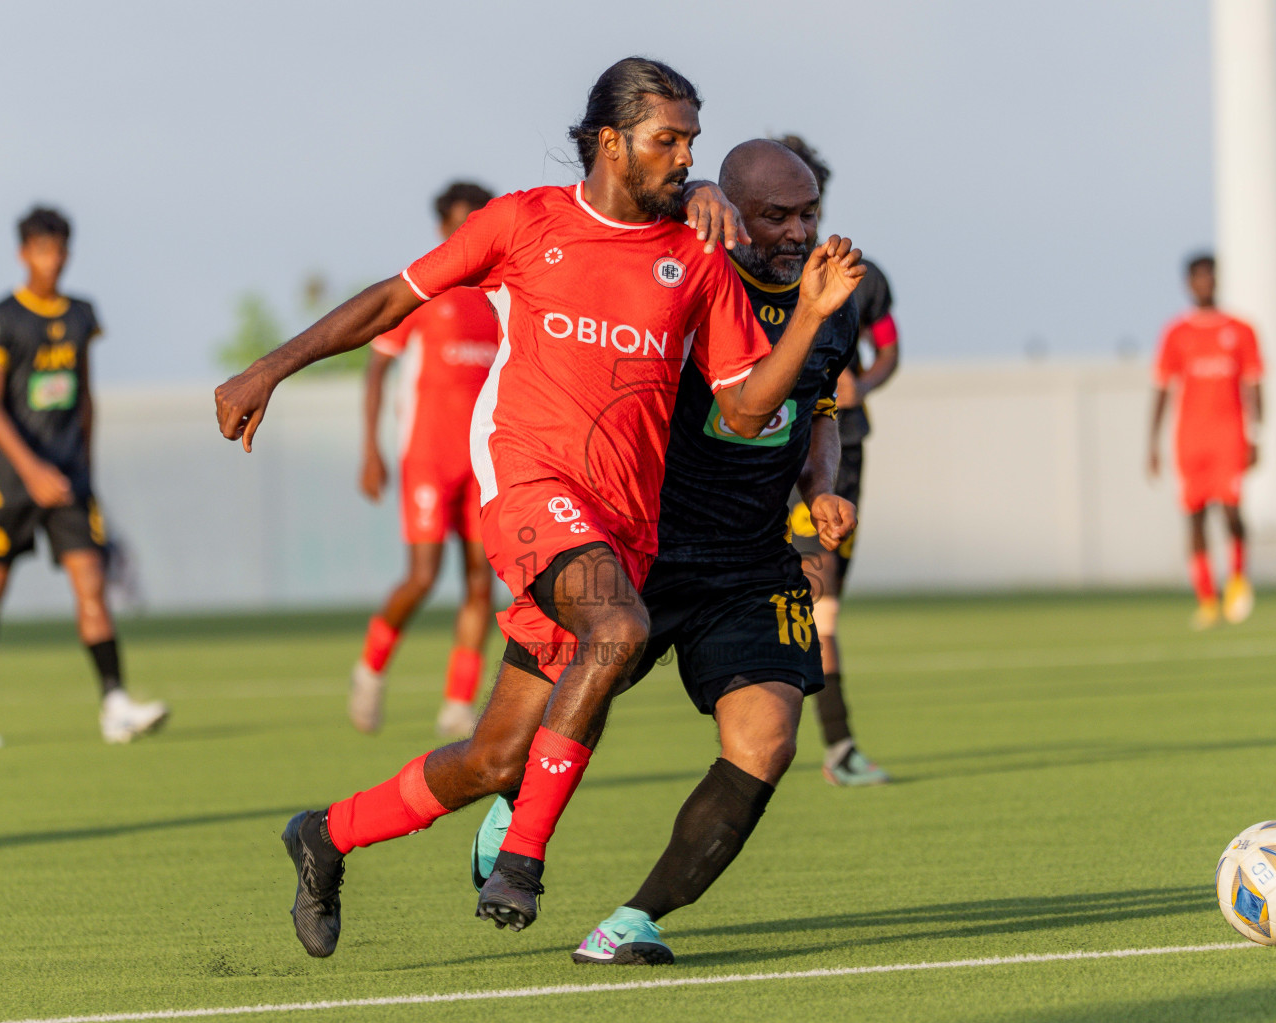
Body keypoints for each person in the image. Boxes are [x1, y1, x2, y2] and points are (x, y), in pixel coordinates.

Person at [212, 57, 865, 957]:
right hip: (530, 489)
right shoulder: (524, 222)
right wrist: (269, 367)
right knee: (621, 628)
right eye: (668, 141)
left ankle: (326, 834)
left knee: (495, 757)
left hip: (629, 525)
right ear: (611, 142)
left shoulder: (698, 259)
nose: (684, 157)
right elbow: (392, 301)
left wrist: (808, 320)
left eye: (691, 143)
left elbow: (750, 409)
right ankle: (522, 857)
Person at [469, 139, 860, 965]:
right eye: (776, 216)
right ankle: (512, 801)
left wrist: (820, 488)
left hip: (751, 561)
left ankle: (631, 922)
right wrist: (697, 190)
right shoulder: (683, 267)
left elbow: (817, 406)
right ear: (733, 215)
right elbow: (635, 211)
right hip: (641, 541)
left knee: (767, 743)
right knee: (510, 743)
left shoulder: (833, 297)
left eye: (808, 213)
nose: (797, 232)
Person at [0, 206, 168, 749]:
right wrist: (32, 470)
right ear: (23, 254)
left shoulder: (80, 315)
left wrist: (85, 473)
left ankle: (115, 704)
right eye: (43, 250)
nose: (54, 260)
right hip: (8, 481)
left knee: (90, 581)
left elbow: (85, 397)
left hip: (69, 479)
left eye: (61, 249)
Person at [352, 181, 500, 737]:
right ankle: (370, 670)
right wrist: (371, 449)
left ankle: (458, 704)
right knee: (422, 576)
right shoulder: (422, 290)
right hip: (429, 461)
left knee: (481, 584)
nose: (469, 235)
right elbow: (376, 369)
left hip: (484, 463)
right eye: (460, 224)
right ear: (443, 229)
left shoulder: (501, 297)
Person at [778, 135, 897, 786]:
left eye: (807, 205)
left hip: (837, 459)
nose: (796, 222)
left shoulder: (860, 280)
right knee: (810, 607)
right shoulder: (741, 277)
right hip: (767, 463)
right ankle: (835, 744)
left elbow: (890, 350)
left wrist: (863, 384)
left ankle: (832, 745)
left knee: (822, 608)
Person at [1147, 252, 1263, 629]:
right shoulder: (1176, 333)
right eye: (1197, 277)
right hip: (1190, 438)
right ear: (1188, 283)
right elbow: (1162, 388)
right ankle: (1207, 600)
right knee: (1194, 518)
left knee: (1231, 512)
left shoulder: (1240, 330)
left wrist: (1256, 434)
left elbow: (1254, 385)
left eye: (1209, 275)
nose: (1204, 283)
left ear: (1217, 279)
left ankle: (1238, 578)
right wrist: (1151, 444)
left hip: (1229, 434)